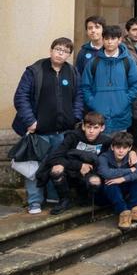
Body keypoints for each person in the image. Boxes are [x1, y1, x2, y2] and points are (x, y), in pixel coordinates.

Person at [12, 37, 83, 214]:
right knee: (34, 167)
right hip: (39, 131)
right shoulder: (35, 70)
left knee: (57, 165)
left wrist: (75, 117)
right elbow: (21, 97)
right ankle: (35, 201)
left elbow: (79, 97)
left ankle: (53, 197)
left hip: (62, 131)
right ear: (51, 50)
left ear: (69, 55)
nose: (61, 53)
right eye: (58, 49)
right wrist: (30, 121)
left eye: (65, 51)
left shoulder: (72, 72)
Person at [39, 111, 110, 214]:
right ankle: (65, 200)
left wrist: (132, 153)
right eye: (88, 127)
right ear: (83, 127)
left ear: (102, 128)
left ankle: (85, 196)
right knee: (56, 170)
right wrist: (79, 165)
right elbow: (54, 157)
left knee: (95, 182)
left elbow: (120, 149)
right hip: (70, 171)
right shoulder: (73, 136)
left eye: (95, 128)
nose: (91, 131)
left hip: (90, 173)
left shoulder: (106, 141)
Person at [80, 25, 137, 134]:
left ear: (119, 40)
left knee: (120, 149)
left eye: (113, 39)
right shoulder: (93, 63)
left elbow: (136, 85)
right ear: (102, 40)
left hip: (121, 117)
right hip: (98, 120)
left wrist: (125, 100)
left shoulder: (128, 62)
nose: (109, 42)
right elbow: (85, 87)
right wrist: (94, 103)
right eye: (106, 39)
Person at [96, 130, 137, 228]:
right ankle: (123, 212)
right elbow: (106, 173)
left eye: (124, 148)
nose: (121, 151)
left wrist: (122, 179)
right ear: (112, 147)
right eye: (118, 147)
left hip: (123, 190)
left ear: (129, 148)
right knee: (110, 181)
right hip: (106, 194)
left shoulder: (131, 157)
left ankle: (134, 209)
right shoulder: (104, 157)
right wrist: (130, 170)